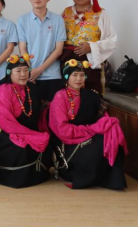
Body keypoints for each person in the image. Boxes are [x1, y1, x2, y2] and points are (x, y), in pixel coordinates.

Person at [49, 59, 127, 190]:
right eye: (74, 75)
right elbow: (62, 130)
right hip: (69, 141)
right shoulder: (60, 97)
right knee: (95, 150)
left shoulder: (91, 95)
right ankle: (82, 179)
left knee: (111, 140)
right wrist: (91, 130)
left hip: (90, 135)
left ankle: (111, 181)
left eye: (81, 75)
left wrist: (107, 125)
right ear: (67, 77)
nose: (78, 79)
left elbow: (103, 119)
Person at [0, 54, 51, 188]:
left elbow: (38, 113)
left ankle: (36, 175)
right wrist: (31, 134)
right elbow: (5, 122)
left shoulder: (32, 88)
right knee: (20, 147)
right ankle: (15, 178)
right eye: (18, 71)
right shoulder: (3, 90)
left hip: (27, 128)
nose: (23, 74)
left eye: (26, 70)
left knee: (45, 140)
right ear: (9, 73)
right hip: (5, 129)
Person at [60, 0, 117, 95]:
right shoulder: (65, 12)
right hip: (67, 59)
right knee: (67, 93)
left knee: (90, 93)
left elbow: (112, 40)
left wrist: (92, 46)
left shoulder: (100, 13)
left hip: (90, 59)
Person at [17, 0, 67, 103]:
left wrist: (40, 69)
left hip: (52, 74)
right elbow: (22, 49)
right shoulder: (22, 20)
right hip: (30, 75)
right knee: (32, 110)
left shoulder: (58, 20)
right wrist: (30, 70)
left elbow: (58, 50)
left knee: (52, 110)